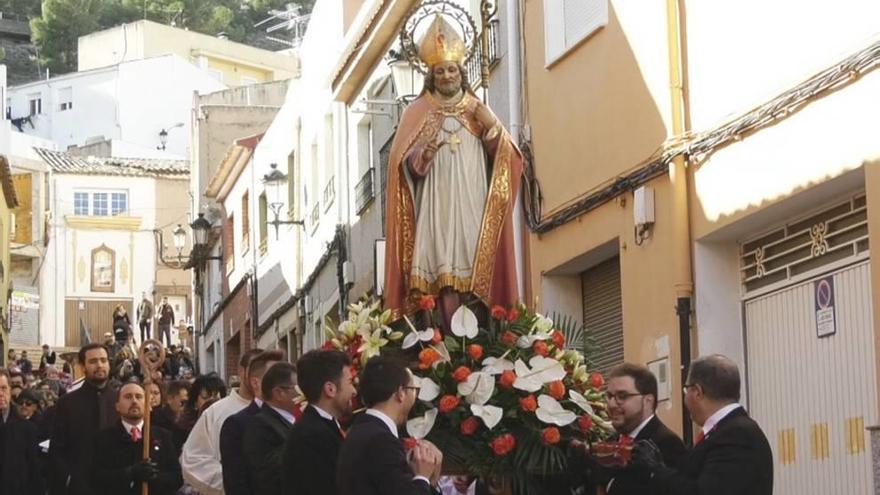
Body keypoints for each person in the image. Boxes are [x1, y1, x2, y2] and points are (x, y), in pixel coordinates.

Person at [383, 15, 523, 329]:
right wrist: (423, 155)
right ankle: (444, 335)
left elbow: (508, 157)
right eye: (440, 71)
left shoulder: (477, 109)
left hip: (473, 202)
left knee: (474, 266)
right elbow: (401, 165)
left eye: (451, 69)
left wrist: (491, 126)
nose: (447, 75)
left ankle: (479, 337)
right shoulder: (417, 112)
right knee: (440, 270)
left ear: (461, 72)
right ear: (430, 76)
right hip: (436, 206)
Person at [631, 354, 773, 495]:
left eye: (686, 390)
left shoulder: (737, 435)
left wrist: (656, 470)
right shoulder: (722, 431)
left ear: (697, 392)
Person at [573, 363, 686, 494]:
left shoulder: (668, 444)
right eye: (609, 396)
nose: (612, 404)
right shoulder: (609, 442)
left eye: (622, 396)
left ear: (648, 401)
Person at [336, 356, 443, 495]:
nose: (414, 397)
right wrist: (422, 476)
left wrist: (427, 480)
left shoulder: (360, 429)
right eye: (413, 389)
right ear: (400, 393)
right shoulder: (381, 440)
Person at [180, 348, 263, 495]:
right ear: (242, 371)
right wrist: (233, 482)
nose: (262, 377)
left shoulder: (281, 411)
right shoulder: (215, 412)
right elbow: (192, 459)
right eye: (256, 370)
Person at [48, 343, 119, 495]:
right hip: (78, 486)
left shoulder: (120, 400)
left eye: (103, 360)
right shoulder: (67, 403)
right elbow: (57, 449)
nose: (99, 365)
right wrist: (69, 479)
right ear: (83, 366)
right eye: (93, 361)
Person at [282, 349, 356, 495]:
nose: (354, 391)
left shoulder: (322, 426)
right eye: (350, 382)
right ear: (330, 389)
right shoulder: (311, 436)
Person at [92, 381, 183, 495]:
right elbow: (96, 478)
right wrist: (130, 473)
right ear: (117, 406)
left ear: (147, 405)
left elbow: (177, 477)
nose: (134, 401)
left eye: (139, 397)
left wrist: (154, 477)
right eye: (128, 397)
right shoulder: (103, 438)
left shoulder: (163, 436)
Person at [221, 350, 284, 495]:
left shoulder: (295, 417)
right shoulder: (237, 424)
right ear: (256, 382)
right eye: (274, 378)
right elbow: (236, 483)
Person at [242, 362, 299, 495]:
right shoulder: (260, 426)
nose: (302, 393)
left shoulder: (294, 420)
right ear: (279, 393)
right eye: (297, 388)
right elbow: (271, 474)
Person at [0, 369, 44, 494]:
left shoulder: (27, 429)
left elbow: (34, 472)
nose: (0, 393)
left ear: (9, 390)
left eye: (3, 388)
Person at [177, 373, 227, 443]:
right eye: (205, 398)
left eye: (217, 399)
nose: (212, 403)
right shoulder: (183, 429)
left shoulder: (230, 425)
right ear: (195, 402)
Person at [152, 380, 189, 452]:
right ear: (170, 399)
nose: (186, 406)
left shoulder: (190, 421)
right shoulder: (156, 420)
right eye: (183, 402)